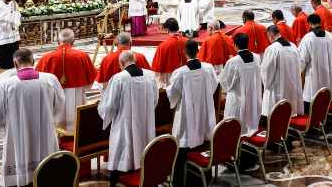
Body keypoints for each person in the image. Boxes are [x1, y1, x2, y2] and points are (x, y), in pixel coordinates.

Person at [0, 48, 65, 187]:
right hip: (45, 132)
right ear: (33, 61)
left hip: (18, 136)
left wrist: (6, 130)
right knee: (46, 171)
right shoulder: (50, 79)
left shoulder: (7, 85)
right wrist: (51, 122)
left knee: (20, 168)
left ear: (15, 64)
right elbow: (60, 105)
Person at [98, 50, 158, 187]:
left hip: (124, 124)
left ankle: (115, 182)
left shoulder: (119, 78)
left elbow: (109, 106)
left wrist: (102, 110)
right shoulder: (150, 76)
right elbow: (155, 100)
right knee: (144, 147)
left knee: (121, 151)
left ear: (121, 63)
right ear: (135, 60)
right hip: (146, 122)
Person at [167, 40, 218, 187]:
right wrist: (204, 97)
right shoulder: (208, 68)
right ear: (198, 51)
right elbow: (214, 84)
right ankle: (203, 177)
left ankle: (180, 181)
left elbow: (173, 93)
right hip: (205, 110)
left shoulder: (181, 72)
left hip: (186, 114)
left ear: (185, 52)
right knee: (203, 135)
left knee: (184, 140)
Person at [36, 28, 97, 132]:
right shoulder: (82, 56)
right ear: (73, 41)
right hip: (76, 94)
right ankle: (75, 131)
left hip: (54, 96)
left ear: (58, 42)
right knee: (75, 116)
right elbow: (91, 77)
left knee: (56, 121)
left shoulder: (46, 58)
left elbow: (39, 81)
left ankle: (56, 132)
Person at [219, 33, 262, 136]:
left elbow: (225, 83)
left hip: (237, 101)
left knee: (234, 129)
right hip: (253, 98)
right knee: (250, 127)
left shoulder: (233, 61)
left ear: (235, 45)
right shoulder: (257, 57)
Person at [260, 25, 304, 118]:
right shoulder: (293, 46)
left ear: (270, 35)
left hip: (277, 91)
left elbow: (267, 71)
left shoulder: (272, 49)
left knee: (277, 116)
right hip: (292, 88)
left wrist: (266, 84)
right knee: (290, 113)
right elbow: (300, 66)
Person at [299, 14, 332, 110]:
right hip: (328, 76)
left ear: (310, 23)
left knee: (313, 101)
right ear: (320, 22)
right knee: (326, 98)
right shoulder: (330, 36)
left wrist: (298, 71)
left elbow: (302, 60)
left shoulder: (308, 38)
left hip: (314, 77)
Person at [151, 18, 188, 87]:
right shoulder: (188, 42)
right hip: (187, 74)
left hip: (170, 76)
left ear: (167, 30)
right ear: (178, 28)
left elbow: (158, 66)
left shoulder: (163, 45)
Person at [0, 0, 22, 69]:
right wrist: (11, 15)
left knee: (14, 47)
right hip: (4, 32)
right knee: (5, 49)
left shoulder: (13, 4)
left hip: (12, 31)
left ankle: (14, 63)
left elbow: (17, 13)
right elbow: (0, 17)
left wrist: (15, 15)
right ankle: (4, 64)